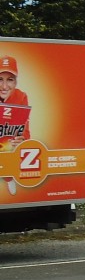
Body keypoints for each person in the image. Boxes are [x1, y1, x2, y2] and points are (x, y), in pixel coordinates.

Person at [0, 55, 31, 196]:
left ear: (16, 81)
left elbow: (25, 126)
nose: (4, 86)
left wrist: (22, 138)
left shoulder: (21, 97)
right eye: (0, 79)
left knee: (12, 145)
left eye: (10, 80)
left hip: (6, 141)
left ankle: (8, 176)